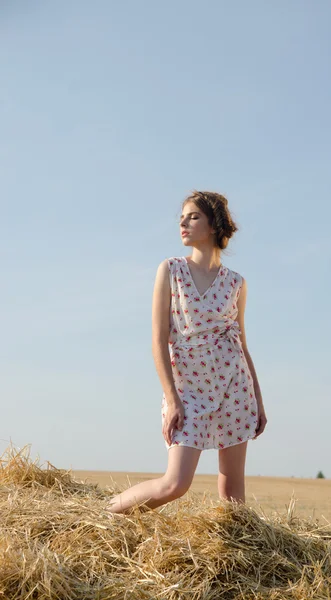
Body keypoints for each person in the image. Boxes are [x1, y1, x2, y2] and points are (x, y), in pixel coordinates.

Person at [106, 190, 267, 514]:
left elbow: (242, 344)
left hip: (234, 388)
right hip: (187, 389)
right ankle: (104, 515)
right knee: (175, 483)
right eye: (182, 216)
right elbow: (158, 339)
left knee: (233, 491)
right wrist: (172, 398)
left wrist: (258, 402)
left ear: (213, 224)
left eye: (193, 216)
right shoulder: (171, 270)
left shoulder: (237, 283)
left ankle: (233, 562)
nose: (183, 222)